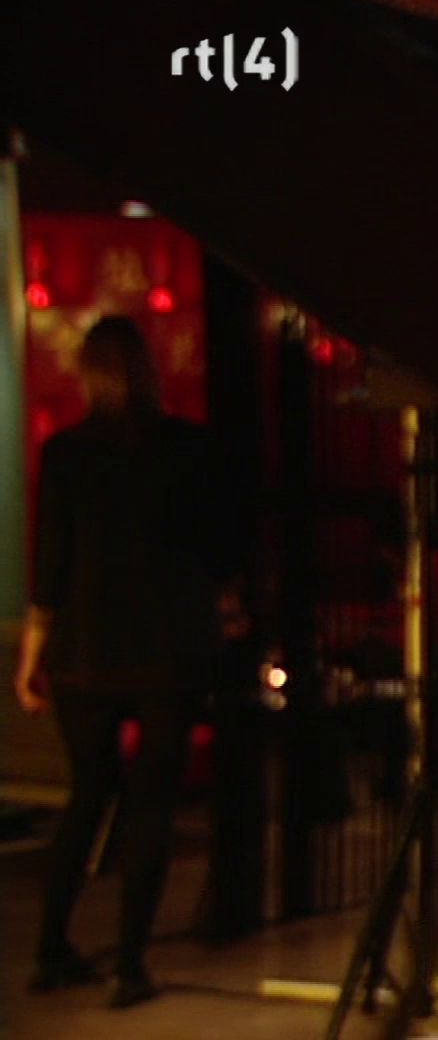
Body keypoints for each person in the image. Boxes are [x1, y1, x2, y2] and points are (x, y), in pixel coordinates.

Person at [13, 315, 231, 1010]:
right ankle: (130, 965)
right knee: (151, 805)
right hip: (167, 650)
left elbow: (50, 566)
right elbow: (219, 551)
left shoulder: (66, 453)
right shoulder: (189, 450)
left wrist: (31, 657)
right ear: (148, 371)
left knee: (88, 794)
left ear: (89, 375)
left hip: (84, 653)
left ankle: (50, 950)